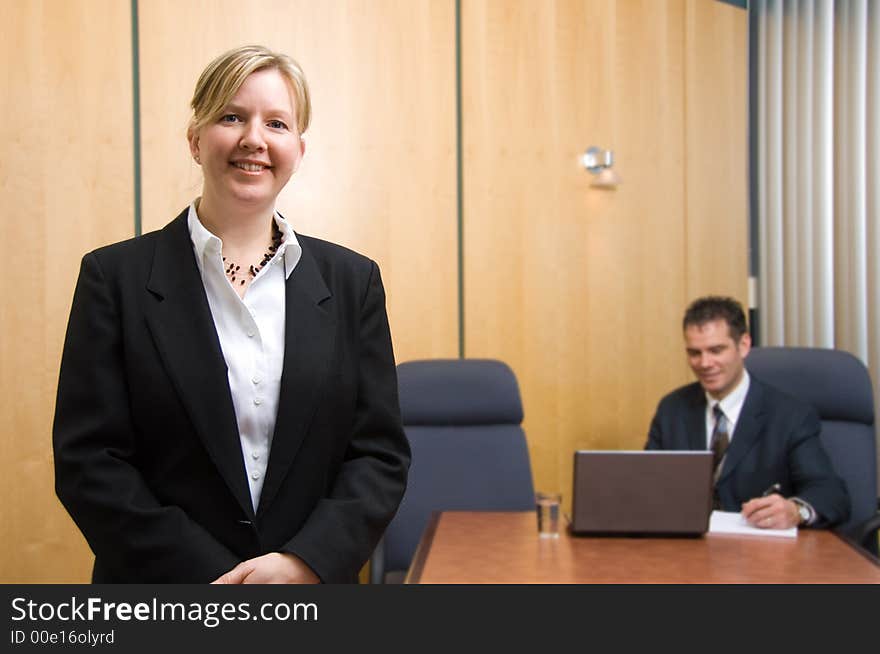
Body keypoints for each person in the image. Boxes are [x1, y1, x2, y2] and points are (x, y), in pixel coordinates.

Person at [52, 45, 410, 583]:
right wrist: (212, 578)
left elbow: (378, 456)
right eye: (232, 116)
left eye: (277, 124)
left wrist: (304, 563)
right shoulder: (113, 278)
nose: (254, 140)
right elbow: (90, 462)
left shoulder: (353, 283)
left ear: (299, 148)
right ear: (195, 141)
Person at [645, 296, 849, 529]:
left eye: (716, 350)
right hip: (687, 549)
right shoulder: (672, 409)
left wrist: (796, 510)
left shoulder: (790, 415)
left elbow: (830, 493)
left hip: (759, 551)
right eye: (694, 353)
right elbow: (649, 485)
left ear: (743, 345)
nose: (704, 363)